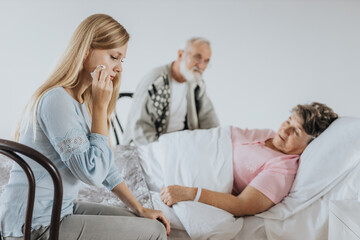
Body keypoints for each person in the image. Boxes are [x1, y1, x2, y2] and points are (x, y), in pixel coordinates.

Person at [0, 14, 170, 240]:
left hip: (60, 210)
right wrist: (100, 108)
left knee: (142, 220)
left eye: (122, 60)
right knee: (154, 232)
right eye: (113, 57)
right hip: (32, 223)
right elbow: (91, 173)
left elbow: (105, 166)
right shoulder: (56, 100)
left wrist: (139, 208)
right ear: (87, 50)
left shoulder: (81, 101)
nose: (118, 68)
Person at [160, 102, 338, 217]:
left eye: (297, 131)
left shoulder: (283, 169)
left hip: (185, 173)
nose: (285, 130)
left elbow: (242, 205)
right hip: (171, 149)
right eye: (288, 121)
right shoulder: (267, 134)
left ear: (309, 145)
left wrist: (191, 193)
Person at [123, 37, 219, 145]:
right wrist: (160, 154)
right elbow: (140, 128)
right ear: (180, 54)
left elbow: (208, 119)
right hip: (151, 148)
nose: (201, 66)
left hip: (180, 147)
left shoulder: (195, 83)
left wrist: (215, 141)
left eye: (206, 61)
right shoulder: (156, 81)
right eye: (197, 58)